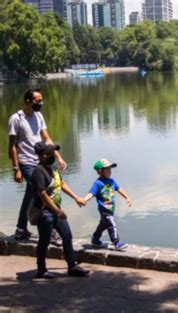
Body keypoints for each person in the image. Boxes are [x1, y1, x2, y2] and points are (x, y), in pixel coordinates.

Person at [8, 88, 67, 240]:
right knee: (43, 191)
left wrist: (58, 156)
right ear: (28, 101)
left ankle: (21, 229)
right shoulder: (16, 119)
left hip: (41, 160)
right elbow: (12, 146)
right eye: (38, 101)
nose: (41, 103)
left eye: (41, 100)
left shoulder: (39, 115)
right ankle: (51, 229)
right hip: (26, 162)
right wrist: (16, 168)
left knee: (30, 194)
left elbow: (46, 137)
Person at [30, 141, 89, 279]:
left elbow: (61, 183)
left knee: (67, 236)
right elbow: (43, 195)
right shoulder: (38, 172)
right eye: (49, 153)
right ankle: (41, 269)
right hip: (45, 212)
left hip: (56, 209)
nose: (52, 155)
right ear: (40, 156)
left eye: (53, 152)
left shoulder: (53, 167)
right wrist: (57, 212)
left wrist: (76, 197)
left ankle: (72, 267)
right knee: (44, 241)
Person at [83, 159, 131, 250]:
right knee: (111, 224)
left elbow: (119, 188)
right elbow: (91, 193)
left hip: (111, 209)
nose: (110, 171)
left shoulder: (111, 181)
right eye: (107, 169)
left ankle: (95, 239)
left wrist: (127, 197)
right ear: (100, 171)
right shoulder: (98, 183)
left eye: (110, 169)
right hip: (104, 209)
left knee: (103, 225)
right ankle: (116, 242)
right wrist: (85, 199)